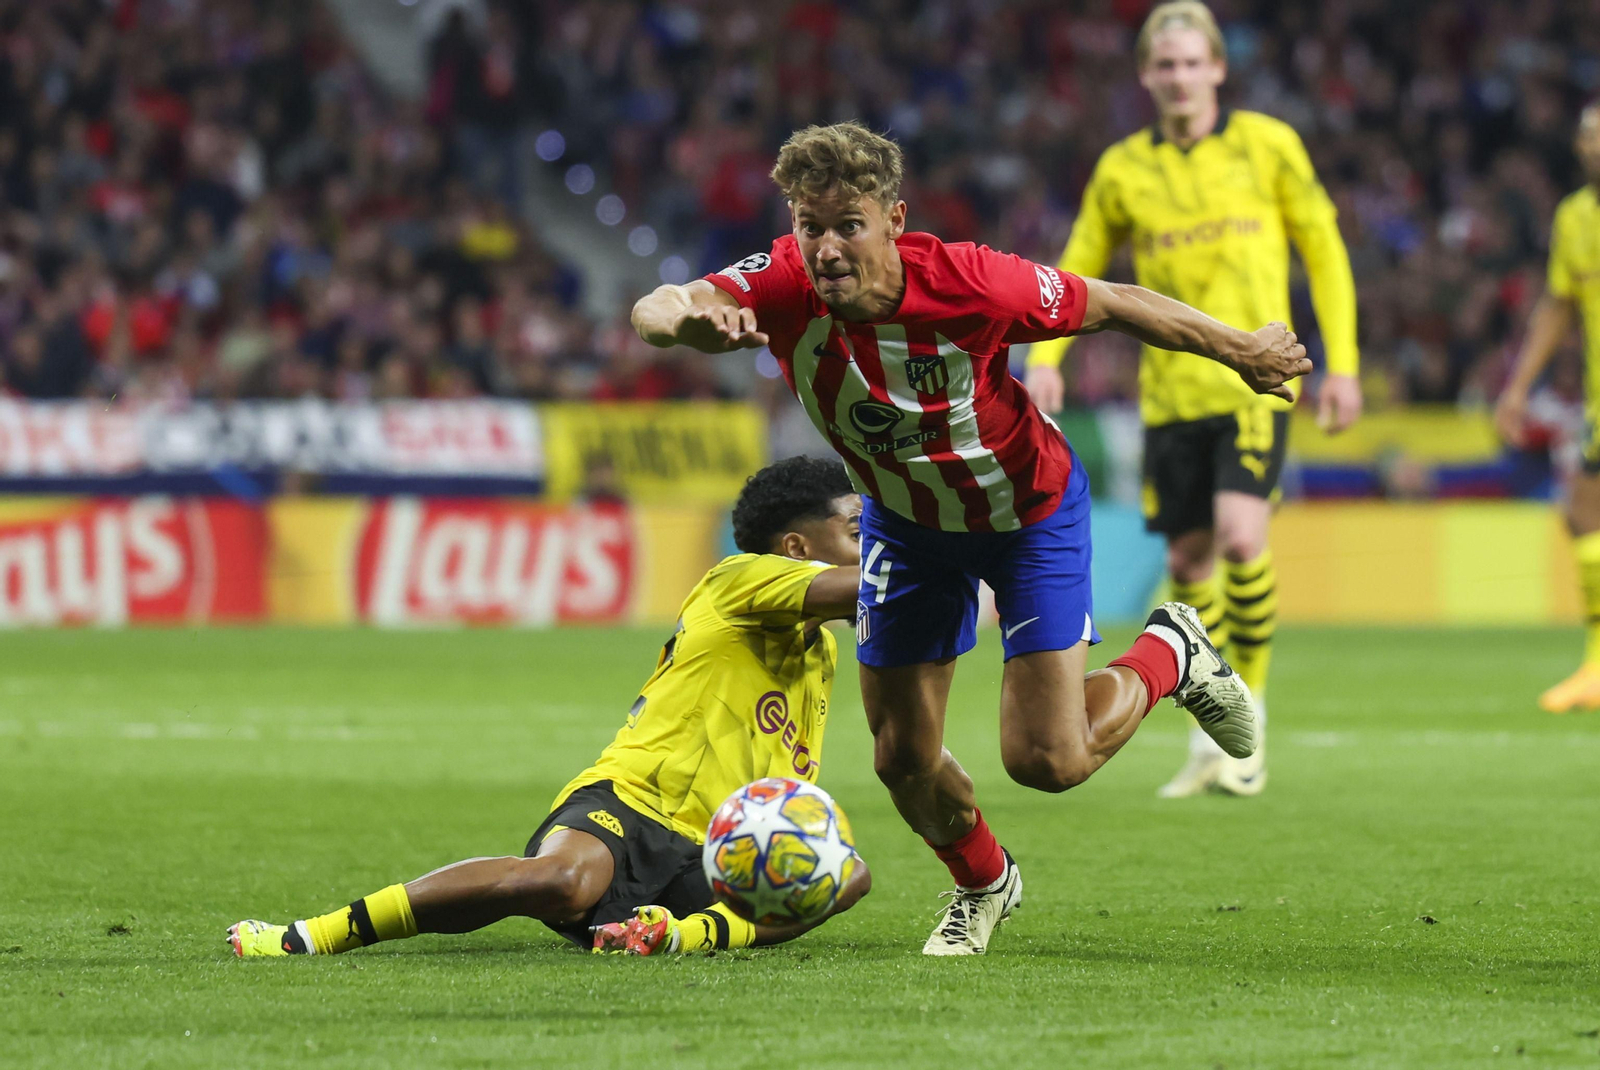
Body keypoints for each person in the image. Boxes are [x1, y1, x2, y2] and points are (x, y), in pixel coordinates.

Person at [631, 119, 1309, 954]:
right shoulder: (776, 281)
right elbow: (663, 305)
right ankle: (984, 882)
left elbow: (1115, 304)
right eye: (812, 227)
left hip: (1027, 517)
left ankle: (1171, 652)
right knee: (901, 756)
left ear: (894, 222)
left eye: (850, 226)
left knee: (1047, 761)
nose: (828, 248)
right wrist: (688, 323)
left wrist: (1240, 349)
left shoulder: (973, 283)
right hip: (907, 531)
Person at [229, 457, 871, 958]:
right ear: (795, 548)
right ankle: (314, 934)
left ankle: (677, 935)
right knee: (563, 881)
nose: (867, 542)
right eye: (854, 529)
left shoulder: (822, 652)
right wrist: (939, 552)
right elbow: (870, 589)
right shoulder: (741, 579)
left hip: (710, 845)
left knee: (846, 876)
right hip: (633, 801)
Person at [1025, 0, 1361, 799]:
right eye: (1163, 65)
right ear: (1146, 75)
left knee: (1244, 538)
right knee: (1188, 561)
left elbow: (1325, 248)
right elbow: (1080, 265)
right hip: (1171, 393)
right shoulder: (1122, 169)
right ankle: (1213, 736)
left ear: (1217, 68)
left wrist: (1341, 364)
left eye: (1190, 62)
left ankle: (1252, 726)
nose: (1178, 77)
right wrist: (1046, 356)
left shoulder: (1268, 146)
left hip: (1256, 381)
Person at [1495, 103, 1600, 713]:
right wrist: (1517, 387)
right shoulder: (1575, 216)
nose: (1590, 143)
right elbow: (1560, 304)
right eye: (1584, 133)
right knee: (1584, 514)